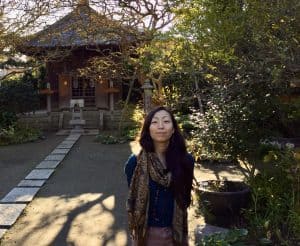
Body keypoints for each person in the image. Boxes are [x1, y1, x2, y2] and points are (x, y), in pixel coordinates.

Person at [125, 106, 194, 246]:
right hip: (145, 234)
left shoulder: (186, 161)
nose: (161, 126)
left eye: (166, 121)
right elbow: (134, 198)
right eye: (155, 122)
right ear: (148, 129)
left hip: (177, 232)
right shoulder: (135, 163)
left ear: (173, 129)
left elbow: (185, 198)